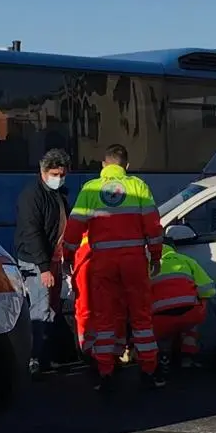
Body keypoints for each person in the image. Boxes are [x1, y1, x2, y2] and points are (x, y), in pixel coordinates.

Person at [62, 144, 164, 390]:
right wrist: (156, 256)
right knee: (141, 316)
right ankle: (149, 370)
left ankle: (106, 373)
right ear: (126, 166)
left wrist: (67, 256)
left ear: (103, 165)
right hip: (134, 262)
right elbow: (153, 226)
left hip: (103, 262)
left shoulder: (91, 188)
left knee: (104, 318)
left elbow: (74, 227)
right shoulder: (138, 187)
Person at [14, 148, 71, 375]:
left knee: (51, 307)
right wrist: (44, 268)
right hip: (38, 262)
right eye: (55, 174)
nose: (59, 178)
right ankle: (34, 360)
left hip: (53, 261)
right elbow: (32, 233)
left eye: (62, 174)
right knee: (41, 309)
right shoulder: (33, 196)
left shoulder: (58, 194)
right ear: (44, 171)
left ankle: (46, 357)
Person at [150, 239, 216, 373]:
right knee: (191, 323)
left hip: (160, 319)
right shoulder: (187, 260)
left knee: (163, 335)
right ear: (173, 248)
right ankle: (188, 357)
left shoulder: (147, 265)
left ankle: (163, 358)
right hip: (189, 315)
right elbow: (208, 290)